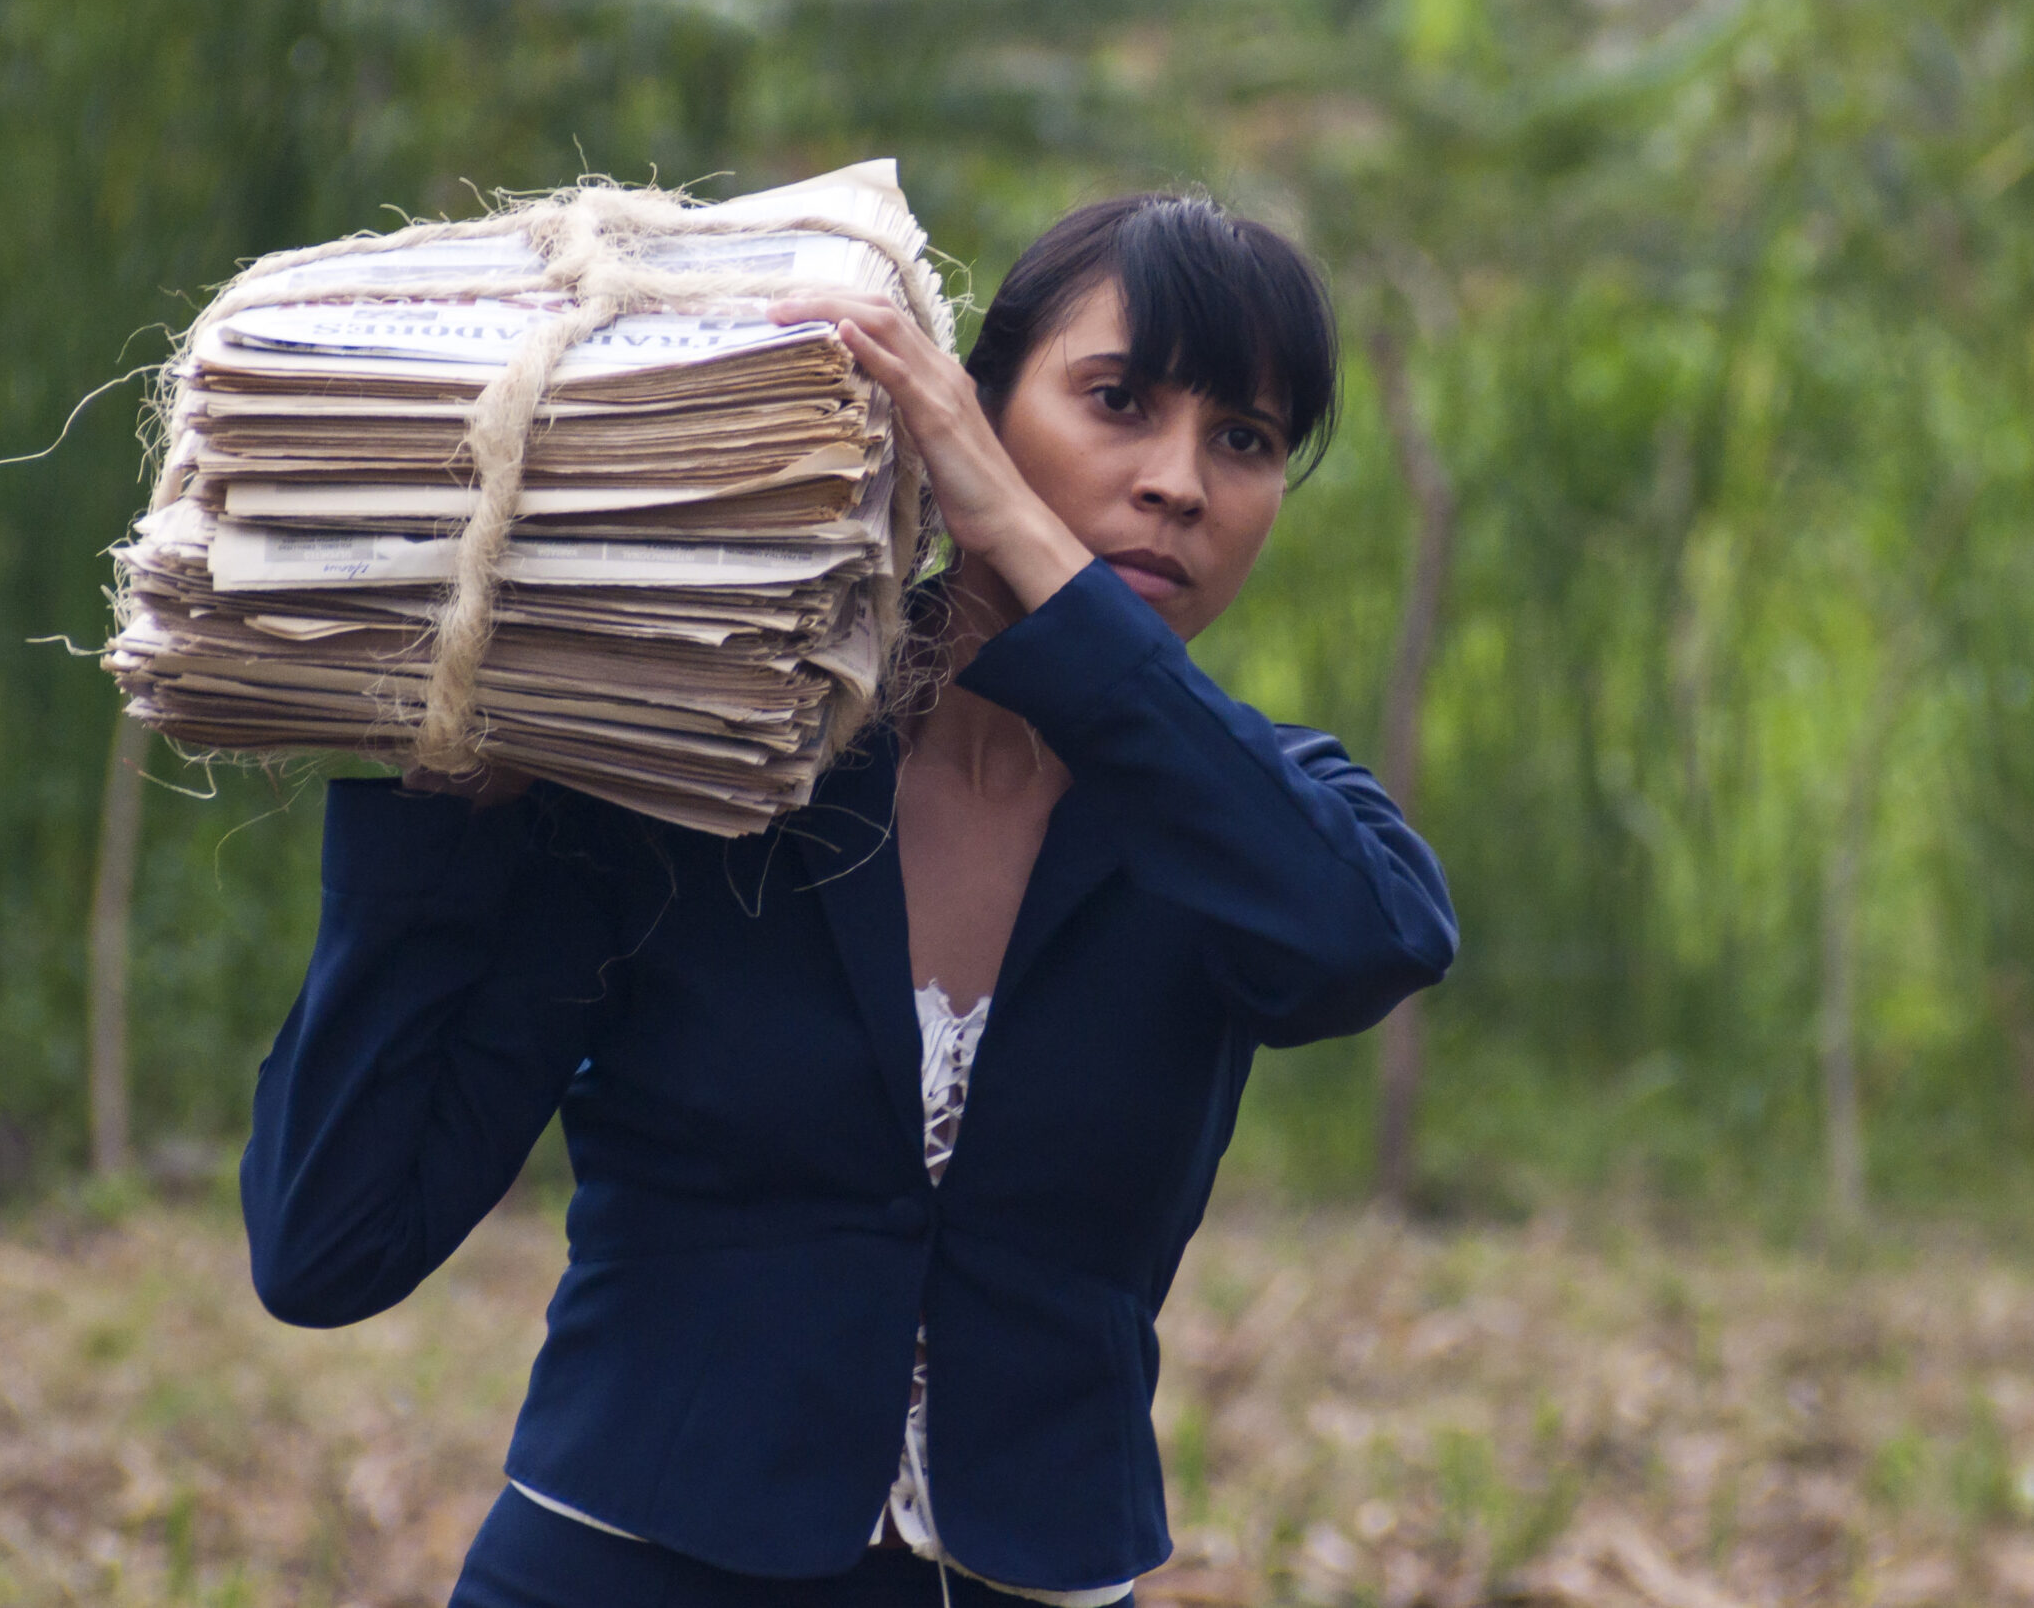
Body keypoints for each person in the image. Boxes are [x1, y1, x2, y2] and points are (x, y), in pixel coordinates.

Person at [238, 192, 1459, 1608]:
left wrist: (1035, 550)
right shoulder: (719, 765)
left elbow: (1365, 944)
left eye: (1244, 439)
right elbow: (330, 1246)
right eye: (1119, 400)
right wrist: (445, 789)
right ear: (964, 407)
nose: (1181, 481)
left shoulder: (1242, 817)